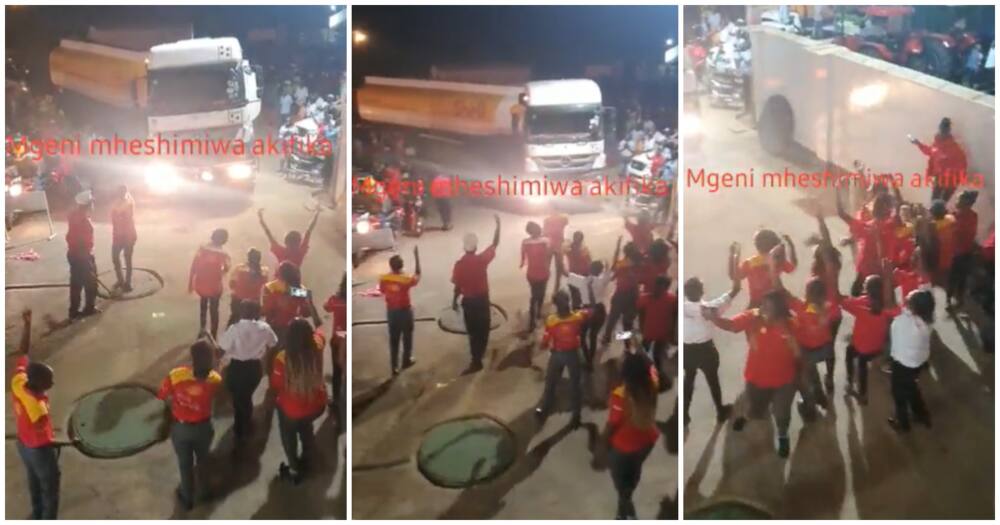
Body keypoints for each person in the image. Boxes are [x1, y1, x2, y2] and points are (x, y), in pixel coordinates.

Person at [706, 290, 800, 457]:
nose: (763, 309)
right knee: (756, 409)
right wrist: (714, 318)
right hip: (756, 379)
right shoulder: (753, 317)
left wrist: (798, 368)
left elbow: (800, 353)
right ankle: (748, 416)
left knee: (782, 413)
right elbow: (732, 325)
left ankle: (783, 436)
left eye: (768, 307)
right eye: (763, 305)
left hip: (784, 381)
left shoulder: (791, 325)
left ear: (779, 309)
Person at [157, 339, 223, 510]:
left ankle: (187, 498)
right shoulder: (215, 379)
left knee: (184, 464)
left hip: (181, 428)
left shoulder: (176, 375)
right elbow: (220, 398)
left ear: (192, 357)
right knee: (203, 460)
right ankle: (206, 492)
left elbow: (162, 395)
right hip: (204, 428)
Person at [12, 310, 61, 519]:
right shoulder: (38, 408)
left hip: (22, 444)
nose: (52, 383)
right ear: (40, 384)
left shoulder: (19, 382)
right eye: (49, 381)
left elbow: (23, 353)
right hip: (38, 449)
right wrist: (57, 439)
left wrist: (27, 325)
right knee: (50, 487)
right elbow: (45, 437)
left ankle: (36, 514)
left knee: (33, 481)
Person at [270, 318, 328, 483]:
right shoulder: (317, 345)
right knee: (306, 429)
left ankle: (294, 470)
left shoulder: (282, 358)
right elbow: (320, 330)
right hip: (317, 404)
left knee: (289, 436)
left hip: (292, 409)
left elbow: (276, 384)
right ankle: (309, 458)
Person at [604, 351, 659, 520]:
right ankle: (624, 511)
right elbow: (651, 365)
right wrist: (639, 352)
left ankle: (624, 513)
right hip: (648, 440)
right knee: (634, 473)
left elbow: (612, 425)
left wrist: (603, 443)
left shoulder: (620, 395)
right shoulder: (653, 383)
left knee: (620, 483)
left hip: (623, 446)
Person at [682, 270, 738, 426]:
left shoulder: (681, 308)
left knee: (688, 380)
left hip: (687, 351)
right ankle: (720, 411)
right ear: (702, 291)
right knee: (713, 380)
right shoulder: (710, 309)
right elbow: (733, 292)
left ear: (686, 293)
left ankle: (684, 415)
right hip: (706, 350)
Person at [218, 301, 277, 446]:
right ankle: (246, 424)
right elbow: (273, 343)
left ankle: (241, 427)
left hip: (236, 368)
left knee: (238, 398)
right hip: (254, 368)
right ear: (257, 313)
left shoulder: (234, 329)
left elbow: (222, 347)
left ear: (242, 312)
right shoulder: (264, 328)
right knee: (246, 396)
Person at [841, 270, 901, 405]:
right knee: (862, 362)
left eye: (864, 285)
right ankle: (863, 394)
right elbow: (898, 311)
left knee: (850, 352)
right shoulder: (886, 306)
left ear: (866, 290)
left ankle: (850, 382)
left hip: (861, 347)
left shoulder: (860, 305)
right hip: (878, 346)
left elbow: (844, 303)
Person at [452, 215, 501, 374]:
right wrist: (498, 227)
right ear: (475, 247)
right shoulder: (481, 260)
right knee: (484, 328)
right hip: (482, 300)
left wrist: (454, 300)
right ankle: (480, 353)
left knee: (472, 332)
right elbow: (494, 244)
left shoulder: (459, 265)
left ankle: (476, 359)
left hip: (469, 302)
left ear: (464, 247)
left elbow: (457, 286)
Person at [535, 290, 589, 428]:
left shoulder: (551, 320)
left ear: (555, 304)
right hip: (573, 355)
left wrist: (542, 345)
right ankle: (576, 416)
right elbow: (589, 312)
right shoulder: (578, 317)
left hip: (557, 354)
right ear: (568, 301)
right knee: (575, 386)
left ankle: (545, 408)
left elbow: (545, 342)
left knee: (551, 382)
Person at [888, 289, 935, 432]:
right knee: (912, 387)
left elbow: (891, 308)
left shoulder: (904, 320)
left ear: (914, 307)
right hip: (917, 363)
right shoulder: (925, 322)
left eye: (908, 300)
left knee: (898, 394)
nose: (905, 301)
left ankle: (903, 424)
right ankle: (921, 414)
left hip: (902, 365)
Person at [836, 191, 896, 297]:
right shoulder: (888, 226)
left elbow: (841, 214)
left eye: (875, 204)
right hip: (879, 275)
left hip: (869, 275)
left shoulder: (868, 227)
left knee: (857, 296)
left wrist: (837, 191)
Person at [563, 256, 615, 370]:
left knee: (582, 336)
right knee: (593, 336)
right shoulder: (602, 281)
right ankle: (591, 359)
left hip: (587, 311)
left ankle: (587, 359)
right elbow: (612, 269)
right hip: (600, 310)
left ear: (589, 269)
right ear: (600, 271)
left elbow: (566, 273)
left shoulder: (581, 280)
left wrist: (561, 256)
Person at [380, 247, 421, 374]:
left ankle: (394, 367)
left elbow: (382, 290)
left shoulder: (384, 278)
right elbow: (418, 275)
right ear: (401, 266)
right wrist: (417, 257)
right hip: (404, 312)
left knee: (394, 340)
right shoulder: (406, 279)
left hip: (391, 313)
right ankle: (406, 360)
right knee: (407, 338)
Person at [732, 229, 797, 308]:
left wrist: (735, 257)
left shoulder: (750, 262)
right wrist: (791, 246)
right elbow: (792, 267)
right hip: (775, 302)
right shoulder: (778, 260)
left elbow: (737, 276)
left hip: (756, 302)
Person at [910, 117, 967, 203]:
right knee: (935, 202)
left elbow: (962, 164)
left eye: (944, 129)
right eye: (941, 128)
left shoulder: (954, 148)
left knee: (940, 203)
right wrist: (918, 144)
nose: (942, 131)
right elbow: (930, 151)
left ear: (948, 130)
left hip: (950, 181)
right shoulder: (937, 144)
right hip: (939, 178)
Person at [189, 229, 231, 339]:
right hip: (214, 287)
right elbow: (226, 268)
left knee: (203, 306)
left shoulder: (202, 248)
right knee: (214, 310)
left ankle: (202, 329)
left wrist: (190, 283)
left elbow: (194, 265)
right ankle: (213, 334)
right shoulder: (223, 254)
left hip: (201, 284)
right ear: (223, 240)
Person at [637, 275, 676, 388]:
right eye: (656, 286)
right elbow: (641, 313)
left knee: (656, 356)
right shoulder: (646, 298)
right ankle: (650, 377)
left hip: (662, 332)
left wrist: (672, 333)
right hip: (649, 331)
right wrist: (641, 327)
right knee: (645, 354)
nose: (657, 289)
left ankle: (655, 378)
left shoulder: (672, 300)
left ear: (666, 287)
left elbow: (674, 317)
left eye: (660, 286)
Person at [262, 262, 315, 344]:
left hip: (275, 327)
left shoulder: (270, 288)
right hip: (294, 329)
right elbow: (306, 313)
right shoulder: (300, 290)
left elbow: (266, 311)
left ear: (280, 274)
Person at [603, 241, 643, 345]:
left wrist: (617, 248)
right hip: (632, 296)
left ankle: (607, 338)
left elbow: (612, 278)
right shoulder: (639, 266)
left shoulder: (620, 265)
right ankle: (626, 342)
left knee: (613, 318)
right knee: (627, 322)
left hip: (620, 295)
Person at [67, 190, 99, 319]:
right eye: (92, 202)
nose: (93, 205)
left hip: (73, 254)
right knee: (91, 284)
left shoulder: (74, 215)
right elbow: (84, 242)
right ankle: (89, 309)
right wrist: (87, 261)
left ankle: (73, 311)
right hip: (83, 256)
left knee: (76, 284)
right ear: (87, 205)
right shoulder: (85, 222)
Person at [521, 221, 554, 332]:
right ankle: (538, 312)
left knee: (534, 295)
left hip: (531, 273)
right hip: (543, 272)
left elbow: (523, 260)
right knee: (541, 294)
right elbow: (549, 255)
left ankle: (532, 320)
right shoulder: (546, 241)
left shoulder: (525, 242)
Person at [948, 191, 978, 308]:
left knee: (959, 278)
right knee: (955, 277)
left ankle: (956, 299)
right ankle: (950, 299)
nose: (956, 202)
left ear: (967, 203)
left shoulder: (967, 216)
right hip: (959, 252)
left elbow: (967, 234)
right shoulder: (955, 215)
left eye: (959, 200)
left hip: (962, 253)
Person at [324, 274, 348, 412]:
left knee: (337, 371)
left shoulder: (336, 300)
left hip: (338, 338)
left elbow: (326, 307)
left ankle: (337, 399)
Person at [227, 248, 269, 327]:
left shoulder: (239, 269)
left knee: (233, 322)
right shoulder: (264, 271)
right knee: (253, 325)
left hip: (238, 300)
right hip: (254, 303)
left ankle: (227, 337)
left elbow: (231, 284)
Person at [110, 185, 137, 292]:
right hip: (118, 236)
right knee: (115, 258)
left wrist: (118, 214)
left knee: (127, 259)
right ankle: (121, 280)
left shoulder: (129, 203)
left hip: (128, 236)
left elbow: (127, 218)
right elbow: (114, 221)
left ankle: (127, 282)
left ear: (125, 192)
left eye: (122, 192)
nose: (120, 194)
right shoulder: (116, 203)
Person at [929, 199, 957, 287]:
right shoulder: (951, 219)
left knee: (937, 286)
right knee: (945, 284)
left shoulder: (933, 227)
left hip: (937, 263)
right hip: (949, 260)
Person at [563, 231, 592, 309]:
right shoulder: (582, 249)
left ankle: (577, 314)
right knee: (580, 298)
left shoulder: (570, 248)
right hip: (579, 275)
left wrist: (564, 272)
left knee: (577, 299)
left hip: (579, 275)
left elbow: (589, 261)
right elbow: (589, 261)